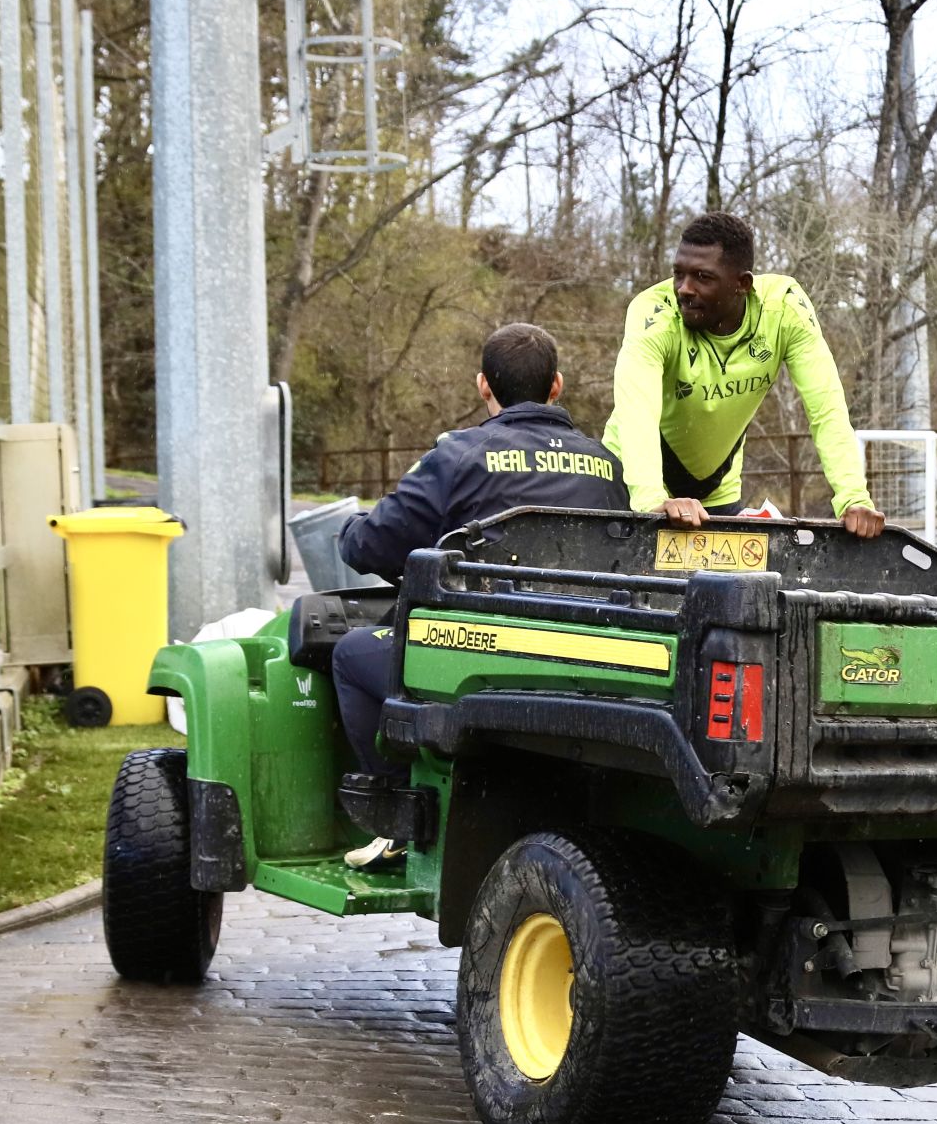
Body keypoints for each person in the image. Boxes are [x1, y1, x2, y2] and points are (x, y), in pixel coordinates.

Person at [331, 322, 627, 867]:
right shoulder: (606, 465)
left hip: (482, 654)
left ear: (483, 386)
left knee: (351, 653)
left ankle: (399, 820)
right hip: (587, 658)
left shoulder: (459, 456)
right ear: (556, 386)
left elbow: (371, 546)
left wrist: (349, 529)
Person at [603, 211, 886, 537]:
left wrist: (853, 498)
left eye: (702, 277)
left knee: (717, 589)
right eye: (678, 274)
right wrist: (652, 500)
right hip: (629, 478)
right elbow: (637, 411)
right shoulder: (653, 313)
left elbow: (826, 408)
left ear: (743, 284)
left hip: (715, 486)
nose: (684, 289)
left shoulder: (784, 310)